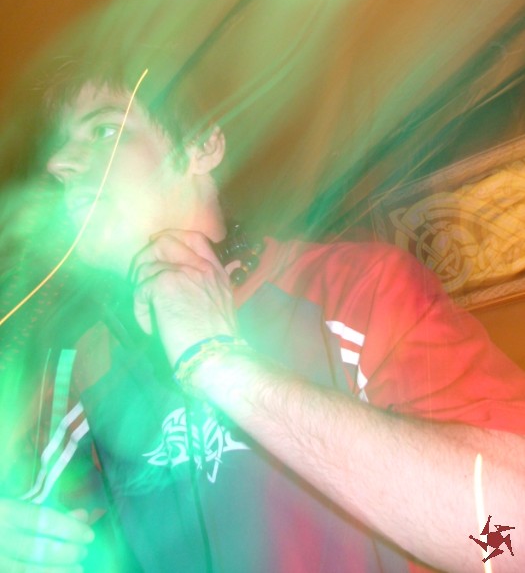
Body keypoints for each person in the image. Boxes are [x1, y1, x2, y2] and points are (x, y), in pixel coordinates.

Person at [0, 72, 524, 573]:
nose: (59, 164)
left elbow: (513, 531)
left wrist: (217, 361)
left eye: (104, 130)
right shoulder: (80, 367)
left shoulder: (357, 289)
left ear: (202, 144)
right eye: (57, 151)